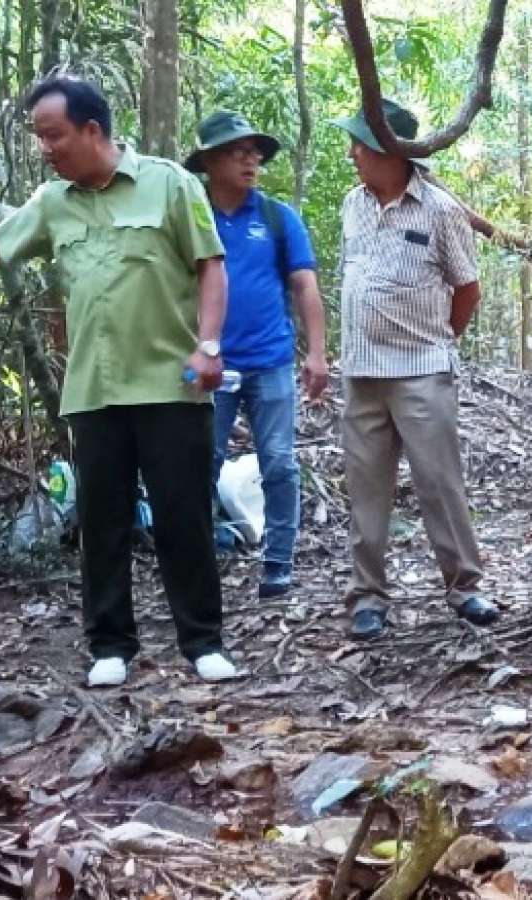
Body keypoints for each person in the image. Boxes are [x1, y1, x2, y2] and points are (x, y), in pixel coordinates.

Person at [0, 76, 239, 686]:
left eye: (54, 135)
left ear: (92, 130)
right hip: (94, 390)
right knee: (102, 521)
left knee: (184, 519)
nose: (45, 147)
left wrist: (209, 346)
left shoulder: (169, 184)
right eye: (40, 137)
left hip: (170, 384)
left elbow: (210, 267)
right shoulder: (53, 201)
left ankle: (202, 642)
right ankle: (110, 647)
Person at [332, 97, 501, 641]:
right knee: (366, 489)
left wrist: (440, 342)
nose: (354, 153)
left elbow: (467, 288)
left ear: (392, 151)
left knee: (439, 484)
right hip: (362, 372)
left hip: (422, 369)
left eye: (361, 143)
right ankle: (368, 597)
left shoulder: (440, 210)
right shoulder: (352, 204)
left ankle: (466, 587)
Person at [184, 110, 329, 599]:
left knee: (280, 463)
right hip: (210, 364)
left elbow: (305, 285)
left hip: (270, 361)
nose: (251, 162)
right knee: (198, 465)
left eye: (255, 154)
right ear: (209, 161)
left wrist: (317, 354)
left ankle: (278, 564)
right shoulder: (188, 216)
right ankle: (199, 563)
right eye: (238, 152)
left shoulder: (276, 218)